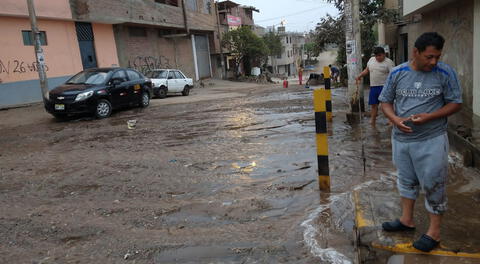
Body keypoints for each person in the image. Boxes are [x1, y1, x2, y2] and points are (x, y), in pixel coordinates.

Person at [378, 32, 462, 252]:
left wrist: (430, 116)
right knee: (406, 180)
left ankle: (434, 233)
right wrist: (395, 119)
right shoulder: (398, 72)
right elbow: (385, 101)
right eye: (429, 57)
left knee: (434, 184)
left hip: (432, 140)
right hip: (402, 139)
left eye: (437, 57)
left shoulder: (445, 73)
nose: (433, 62)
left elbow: (455, 103)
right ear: (415, 52)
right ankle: (407, 220)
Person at [356, 47, 395, 125]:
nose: (377, 57)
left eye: (379, 55)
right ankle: (373, 121)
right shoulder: (371, 60)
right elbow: (367, 70)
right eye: (376, 56)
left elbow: (394, 75)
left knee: (386, 105)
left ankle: (391, 121)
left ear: (384, 54)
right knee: (374, 105)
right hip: (373, 87)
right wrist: (359, 76)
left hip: (385, 87)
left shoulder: (389, 62)